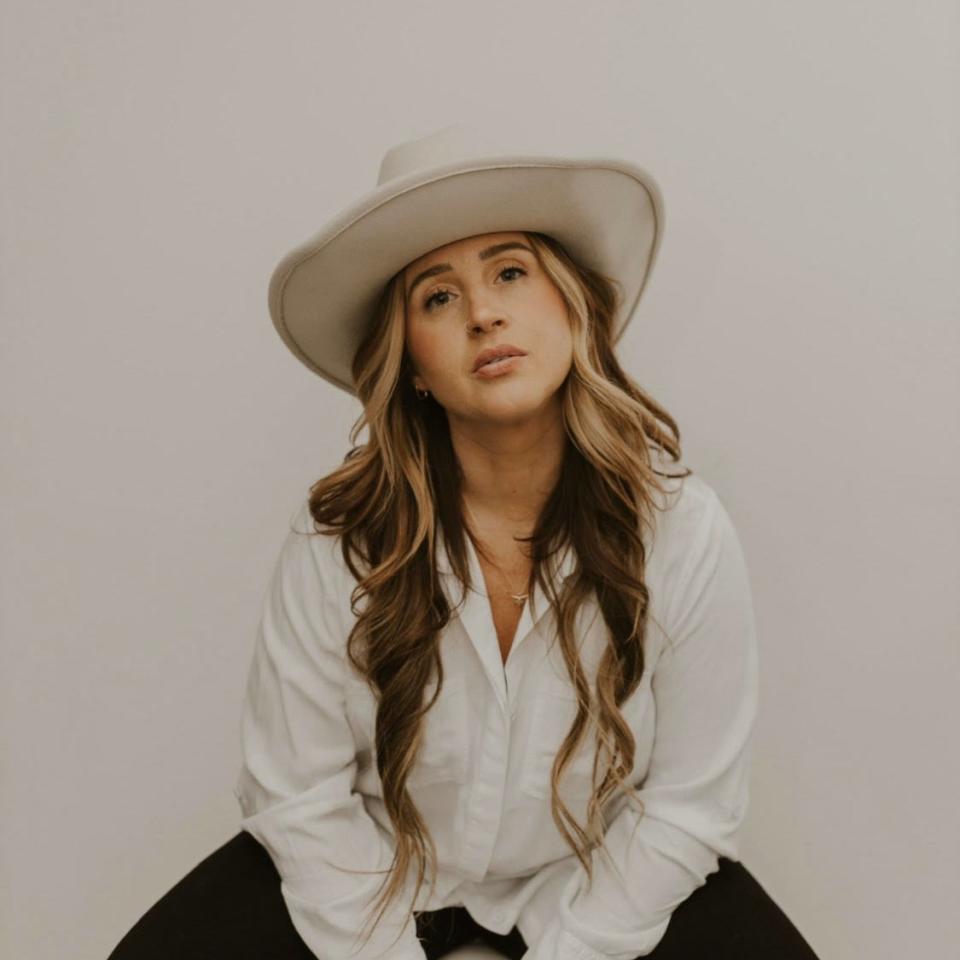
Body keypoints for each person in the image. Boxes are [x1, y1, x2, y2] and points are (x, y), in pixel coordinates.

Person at [108, 122, 820, 960]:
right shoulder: (338, 537)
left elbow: (690, 807)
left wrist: (564, 953)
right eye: (437, 297)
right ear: (409, 361)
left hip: (593, 882)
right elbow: (298, 797)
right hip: (375, 876)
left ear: (573, 306)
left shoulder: (680, 529)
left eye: (511, 273)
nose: (484, 313)